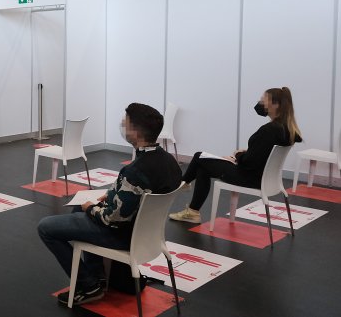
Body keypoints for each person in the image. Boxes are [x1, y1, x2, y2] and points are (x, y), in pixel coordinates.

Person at [38, 103, 182, 306]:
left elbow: (110, 220)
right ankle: (97, 275)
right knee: (79, 208)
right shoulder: (170, 162)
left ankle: (88, 284)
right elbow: (140, 195)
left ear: (136, 131)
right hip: (149, 235)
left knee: (46, 227)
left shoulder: (134, 171)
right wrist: (111, 195)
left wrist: (91, 207)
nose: (122, 126)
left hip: (123, 236)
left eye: (126, 123)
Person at [169, 87, 302, 223]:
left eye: (263, 100)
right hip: (265, 178)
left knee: (199, 157)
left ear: (275, 104)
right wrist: (245, 154)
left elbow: (249, 163)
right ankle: (191, 208)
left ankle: (182, 184)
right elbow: (263, 154)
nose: (260, 103)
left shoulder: (268, 131)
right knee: (203, 167)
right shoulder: (288, 130)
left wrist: (238, 156)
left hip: (248, 177)